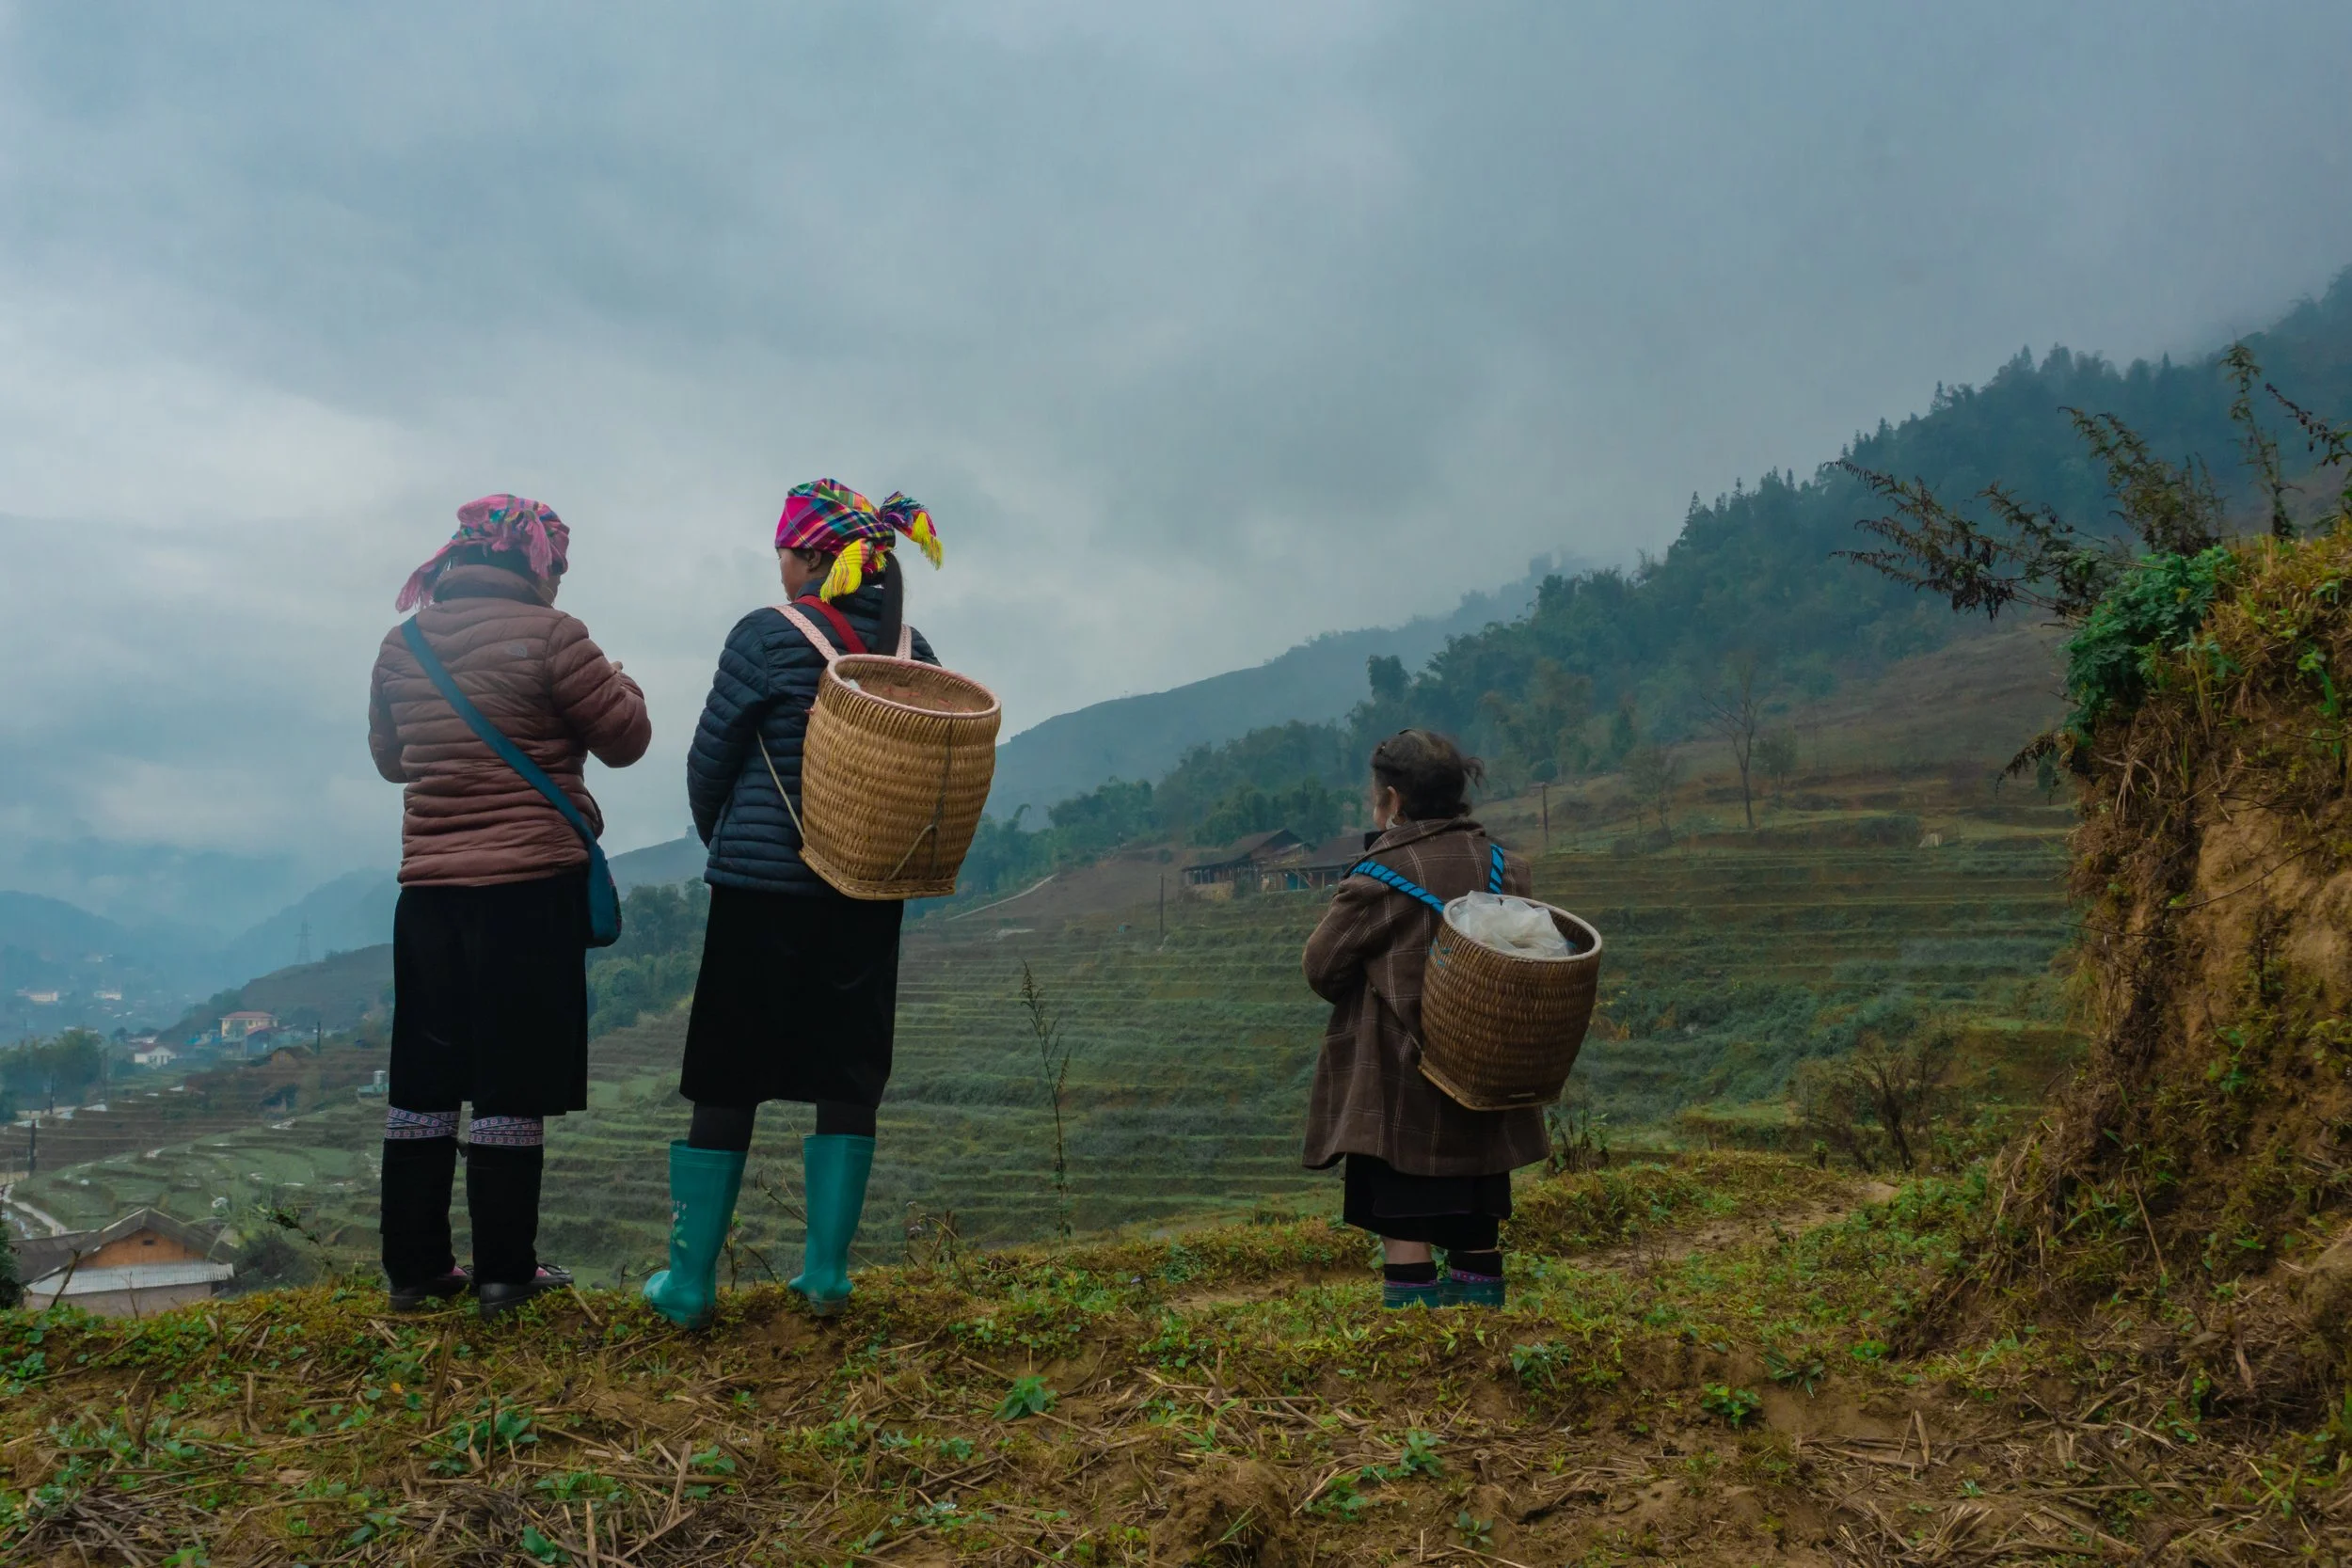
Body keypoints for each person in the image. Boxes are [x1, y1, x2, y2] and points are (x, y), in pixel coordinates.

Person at [644, 479, 944, 1328]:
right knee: (848, 1072)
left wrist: (731, 840)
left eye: (784, 549)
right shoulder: (912, 648)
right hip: (865, 891)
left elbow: (710, 763)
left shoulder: (765, 637)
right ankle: (825, 1276)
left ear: (814, 555)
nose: (777, 565)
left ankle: (691, 1286)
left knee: (728, 1074)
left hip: (760, 894)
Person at [368, 495, 651, 1318]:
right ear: (536, 562)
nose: (558, 582)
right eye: (556, 567)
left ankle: (415, 1269)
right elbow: (627, 739)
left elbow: (393, 761)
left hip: (428, 893)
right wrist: (621, 680)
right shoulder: (559, 639)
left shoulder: (402, 644)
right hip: (528, 891)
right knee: (509, 1080)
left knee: (423, 1079)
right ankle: (504, 1271)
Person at [1301, 730, 1547, 1308]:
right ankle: (1482, 1343)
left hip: (1400, 1084)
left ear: (1393, 800)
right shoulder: (1502, 866)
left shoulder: (1379, 875)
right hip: (1481, 1072)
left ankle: (1415, 1347)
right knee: (1476, 1217)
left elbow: (1321, 966)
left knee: (1405, 1223)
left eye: (1374, 796)